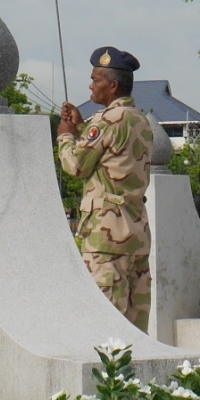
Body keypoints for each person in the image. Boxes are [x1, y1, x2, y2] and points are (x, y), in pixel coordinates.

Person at [57, 47, 158, 331]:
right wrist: (81, 128)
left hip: (105, 238)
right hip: (135, 236)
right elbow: (113, 158)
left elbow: (76, 165)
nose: (91, 85)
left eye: (96, 80)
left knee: (107, 329)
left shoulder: (106, 121)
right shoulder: (141, 121)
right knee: (136, 329)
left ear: (112, 85)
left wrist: (65, 136)